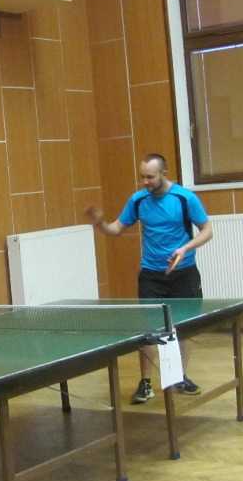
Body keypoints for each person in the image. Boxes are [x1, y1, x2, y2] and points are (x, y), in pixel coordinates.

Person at [86, 153, 213, 404]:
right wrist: (100, 223)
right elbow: (116, 229)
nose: (145, 181)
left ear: (164, 173)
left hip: (184, 272)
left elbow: (207, 230)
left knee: (184, 327)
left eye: (150, 177)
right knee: (148, 330)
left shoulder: (184, 198)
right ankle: (145, 383)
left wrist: (185, 248)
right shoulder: (138, 200)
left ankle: (178, 377)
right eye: (142, 177)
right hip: (151, 274)